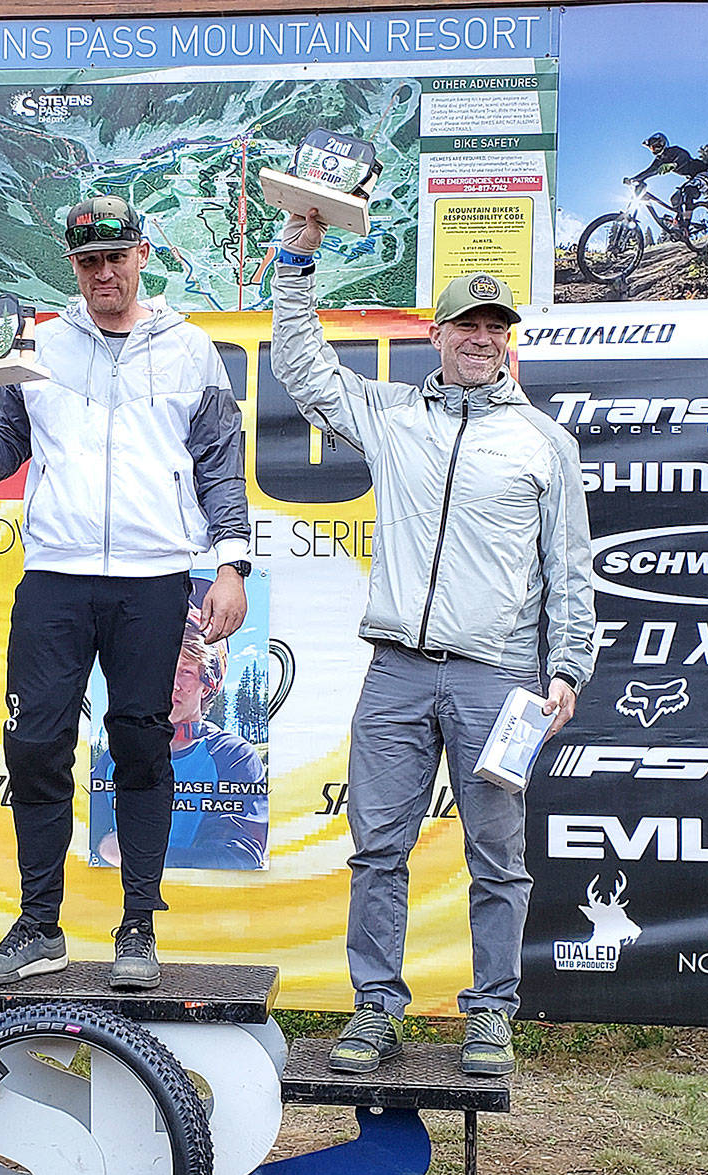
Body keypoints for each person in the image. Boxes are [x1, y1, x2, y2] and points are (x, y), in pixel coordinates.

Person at [271, 212, 595, 1077]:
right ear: (437, 335)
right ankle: (377, 1007)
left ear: (508, 343)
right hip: (398, 676)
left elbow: (571, 569)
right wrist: (296, 261)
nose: (482, 339)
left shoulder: (545, 443)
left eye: (496, 328)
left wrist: (568, 667)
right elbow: (301, 369)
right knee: (377, 847)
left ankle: (490, 1014)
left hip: (500, 680)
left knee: (497, 856)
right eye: (468, 326)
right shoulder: (391, 414)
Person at [0, 195, 250, 990]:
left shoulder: (190, 349)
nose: (103, 273)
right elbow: (2, 459)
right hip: (57, 574)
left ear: (142, 253)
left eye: (115, 256)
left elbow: (218, 459)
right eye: (86, 261)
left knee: (143, 740)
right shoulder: (35, 345)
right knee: (35, 742)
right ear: (70, 267)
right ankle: (39, 925)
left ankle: (137, 925)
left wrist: (232, 564)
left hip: (154, 578)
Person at [93, 604, 267, 870]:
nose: (171, 683)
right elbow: (88, 842)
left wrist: (139, 857)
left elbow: (241, 855)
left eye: (185, 671)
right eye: (161, 669)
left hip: (207, 907)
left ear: (208, 683)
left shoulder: (231, 757)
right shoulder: (114, 758)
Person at [625, 133, 708, 231]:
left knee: (688, 191)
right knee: (675, 199)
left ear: (663, 144)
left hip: (703, 171)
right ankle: (680, 222)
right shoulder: (659, 160)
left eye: (656, 147)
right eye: (652, 148)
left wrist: (674, 164)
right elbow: (649, 171)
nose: (654, 150)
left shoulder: (673, 151)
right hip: (691, 177)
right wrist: (634, 179)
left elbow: (684, 157)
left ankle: (686, 225)